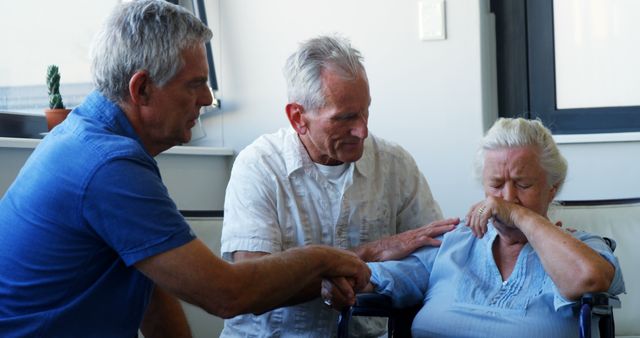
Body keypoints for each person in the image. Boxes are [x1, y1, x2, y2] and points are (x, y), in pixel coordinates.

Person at [0, 2, 371, 337]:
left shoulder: (91, 140)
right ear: (142, 88)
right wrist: (325, 257)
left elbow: (153, 297)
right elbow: (227, 294)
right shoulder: (107, 166)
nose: (208, 98)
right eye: (195, 84)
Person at [220, 35, 459, 337]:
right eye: (345, 118)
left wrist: (365, 278)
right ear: (298, 118)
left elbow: (435, 262)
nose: (362, 130)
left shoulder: (395, 164)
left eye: (365, 111)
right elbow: (252, 287)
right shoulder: (259, 166)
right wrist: (370, 253)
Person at [323, 118, 626, 337]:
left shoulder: (583, 248)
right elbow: (371, 279)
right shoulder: (455, 242)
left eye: (523, 184)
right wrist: (343, 277)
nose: (507, 197)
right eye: (496, 185)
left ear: (552, 189)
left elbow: (588, 279)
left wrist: (521, 217)